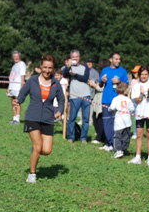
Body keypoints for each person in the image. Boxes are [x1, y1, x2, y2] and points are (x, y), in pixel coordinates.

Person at [17, 54, 65, 183]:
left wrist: (60, 110)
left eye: (50, 68)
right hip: (32, 116)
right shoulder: (33, 80)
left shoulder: (55, 83)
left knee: (47, 150)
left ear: (52, 68)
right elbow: (23, 92)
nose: (47, 70)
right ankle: (32, 174)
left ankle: (35, 152)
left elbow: (61, 99)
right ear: (40, 67)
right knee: (38, 146)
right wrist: (18, 100)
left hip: (48, 118)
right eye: (45, 67)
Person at [99, 52, 129, 152]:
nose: (118, 61)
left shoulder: (123, 71)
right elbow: (99, 85)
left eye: (119, 59)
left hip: (118, 100)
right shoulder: (105, 70)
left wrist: (119, 82)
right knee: (107, 122)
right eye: (116, 59)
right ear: (111, 59)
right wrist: (102, 81)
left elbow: (126, 85)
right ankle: (109, 143)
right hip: (106, 100)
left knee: (117, 122)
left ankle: (116, 143)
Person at [129, 66, 149, 165]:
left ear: (148, 75)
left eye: (146, 74)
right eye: (142, 74)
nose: (144, 76)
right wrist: (141, 94)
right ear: (139, 75)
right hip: (140, 113)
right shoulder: (137, 85)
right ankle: (138, 156)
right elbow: (136, 101)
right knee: (139, 135)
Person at [63, 49, 91, 143]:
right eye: (73, 57)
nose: (75, 59)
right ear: (71, 58)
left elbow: (85, 78)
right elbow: (64, 74)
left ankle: (84, 138)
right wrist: (68, 66)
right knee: (72, 118)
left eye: (77, 57)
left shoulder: (84, 66)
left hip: (86, 95)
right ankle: (71, 137)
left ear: (79, 57)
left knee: (85, 119)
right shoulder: (69, 67)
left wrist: (75, 75)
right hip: (74, 96)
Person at [109, 82, 135, 159]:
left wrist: (110, 109)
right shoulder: (128, 99)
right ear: (124, 92)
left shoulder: (115, 99)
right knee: (126, 136)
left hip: (118, 122)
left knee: (117, 136)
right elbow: (132, 109)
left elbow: (112, 108)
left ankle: (118, 150)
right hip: (127, 122)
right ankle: (124, 149)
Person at [7, 51, 26, 124]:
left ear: (19, 56)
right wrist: (8, 88)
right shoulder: (14, 66)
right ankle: (14, 118)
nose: (16, 57)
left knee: (17, 103)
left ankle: (17, 119)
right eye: (14, 56)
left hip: (17, 87)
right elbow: (11, 78)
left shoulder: (22, 64)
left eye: (17, 56)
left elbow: (22, 77)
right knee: (12, 102)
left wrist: (22, 87)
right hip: (12, 86)